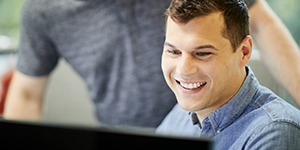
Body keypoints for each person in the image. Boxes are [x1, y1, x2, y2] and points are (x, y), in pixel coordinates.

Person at [2, 0, 300, 127]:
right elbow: (26, 94)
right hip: (121, 133)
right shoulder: (44, 10)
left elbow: (260, 22)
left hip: (216, 127)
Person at [156, 0, 300, 149]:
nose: (183, 70)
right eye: (173, 52)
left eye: (203, 53)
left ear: (244, 52)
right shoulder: (180, 116)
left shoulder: (275, 131)